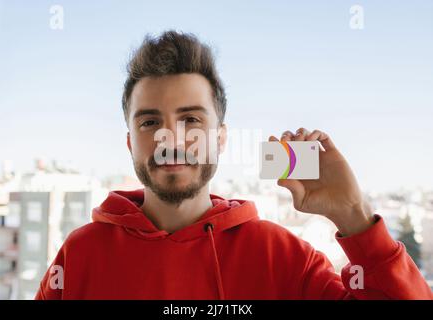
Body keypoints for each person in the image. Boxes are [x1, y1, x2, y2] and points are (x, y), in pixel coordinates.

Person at [35, 30, 432, 300]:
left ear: (221, 138)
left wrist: (355, 217)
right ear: (129, 141)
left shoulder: (285, 258)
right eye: (150, 122)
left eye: (191, 119)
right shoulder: (80, 254)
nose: (171, 138)